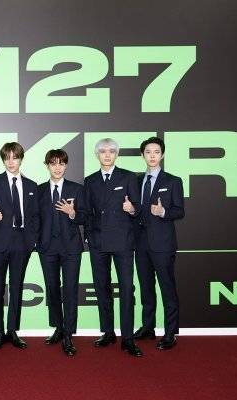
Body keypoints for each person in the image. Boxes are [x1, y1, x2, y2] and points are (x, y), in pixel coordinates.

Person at [83, 138, 142, 357]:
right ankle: (108, 332)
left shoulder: (128, 177)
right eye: (103, 151)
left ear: (116, 154)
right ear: (97, 155)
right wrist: (89, 237)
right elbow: (87, 212)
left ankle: (128, 338)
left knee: (126, 289)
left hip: (123, 242)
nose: (107, 155)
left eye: (111, 151)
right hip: (98, 243)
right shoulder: (90, 181)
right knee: (102, 288)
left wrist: (132, 208)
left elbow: (139, 209)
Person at [0, 142, 39, 350]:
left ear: (21, 159)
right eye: (7, 157)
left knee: (17, 287)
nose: (11, 161)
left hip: (22, 242)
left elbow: (35, 215)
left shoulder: (32, 185)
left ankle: (13, 331)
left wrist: (32, 240)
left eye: (14, 157)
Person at [133, 137, 185, 350]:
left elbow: (179, 211)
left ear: (162, 155)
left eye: (156, 152)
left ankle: (170, 333)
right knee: (146, 288)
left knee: (167, 289)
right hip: (140, 243)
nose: (152, 155)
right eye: (148, 152)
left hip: (163, 244)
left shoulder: (173, 181)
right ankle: (148, 327)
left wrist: (163, 211)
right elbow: (135, 209)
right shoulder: (136, 180)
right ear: (142, 155)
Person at [37, 149, 85, 356]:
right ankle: (58, 327)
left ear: (66, 166)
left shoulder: (77, 189)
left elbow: (86, 216)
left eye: (61, 163)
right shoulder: (38, 190)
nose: (57, 167)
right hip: (47, 248)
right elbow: (34, 219)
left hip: (71, 247)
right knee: (52, 289)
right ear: (47, 165)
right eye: (53, 163)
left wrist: (72, 213)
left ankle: (68, 334)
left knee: (70, 290)